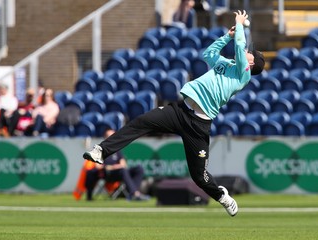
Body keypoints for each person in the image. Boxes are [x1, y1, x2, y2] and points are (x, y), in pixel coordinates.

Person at [83, 10, 265, 217]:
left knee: (200, 177)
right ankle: (101, 151)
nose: (248, 52)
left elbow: (241, 50)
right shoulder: (227, 64)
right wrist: (227, 37)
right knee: (141, 122)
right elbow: (209, 55)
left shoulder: (243, 75)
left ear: (251, 63)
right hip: (180, 111)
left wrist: (239, 24)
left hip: (198, 125)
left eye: (251, 53)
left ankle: (221, 196)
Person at [85, 128, 150, 201]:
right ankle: (135, 194)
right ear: (105, 137)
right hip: (107, 173)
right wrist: (112, 167)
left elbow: (123, 164)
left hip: (119, 172)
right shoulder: (100, 150)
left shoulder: (117, 149)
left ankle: (133, 192)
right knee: (121, 170)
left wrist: (113, 167)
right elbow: (98, 166)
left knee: (139, 169)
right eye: (109, 136)